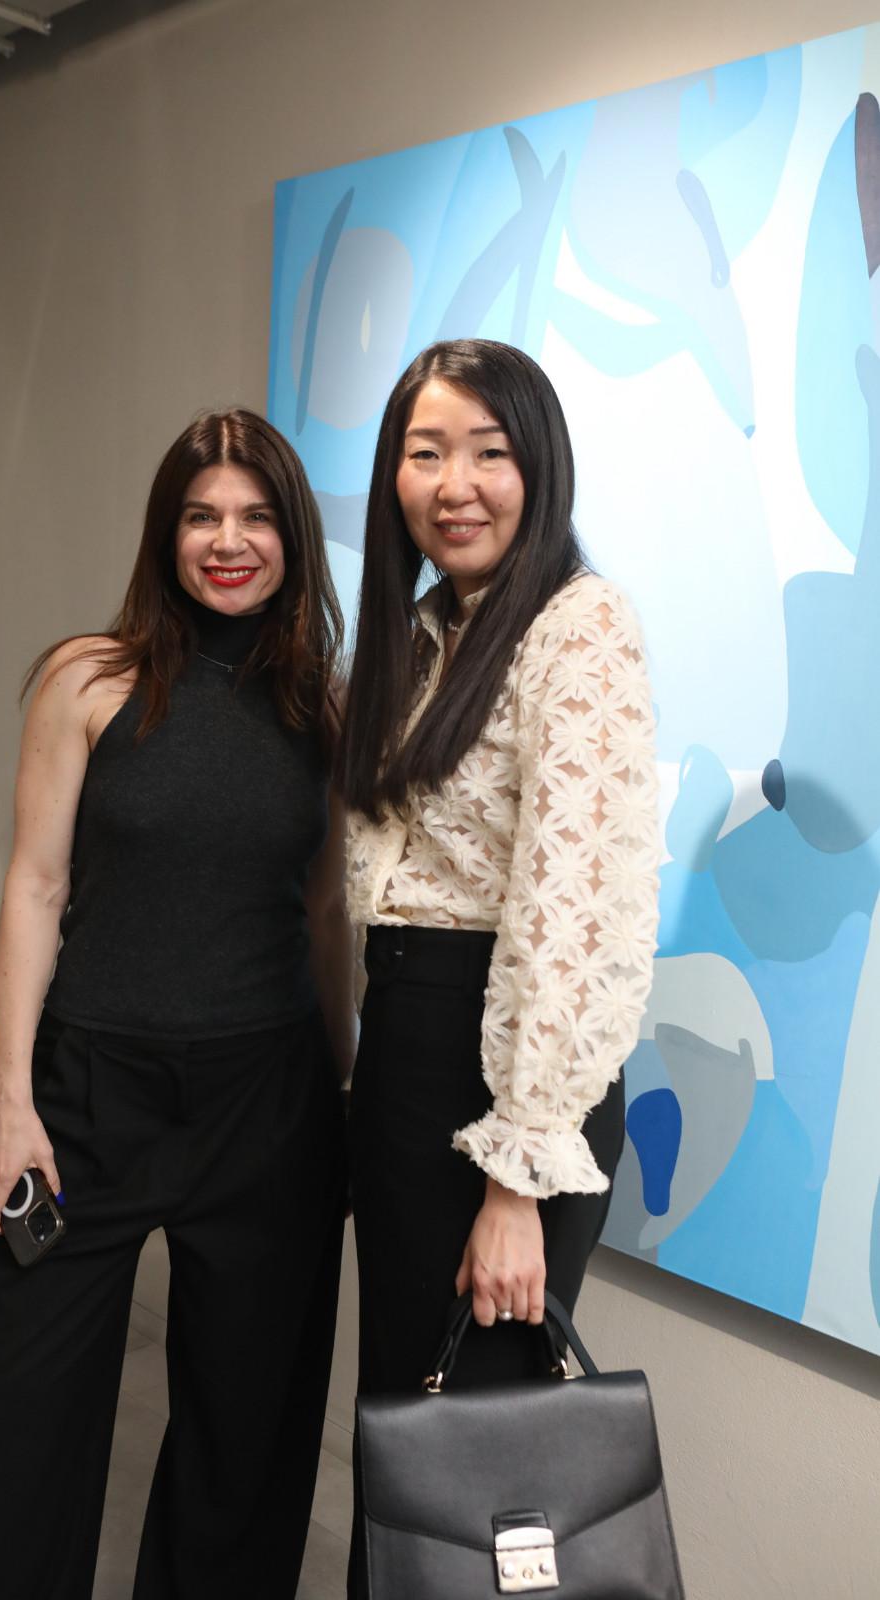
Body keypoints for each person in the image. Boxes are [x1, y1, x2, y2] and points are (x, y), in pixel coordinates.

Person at [0, 409, 353, 1600]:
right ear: (164, 534)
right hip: (87, 1098)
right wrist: (8, 1097)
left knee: (246, 1439)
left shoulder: (323, 708)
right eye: (200, 516)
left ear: (292, 538)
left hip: (267, 1105)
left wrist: (335, 1088)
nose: (227, 541)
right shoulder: (87, 679)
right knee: (22, 1421)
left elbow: (324, 911)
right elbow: (34, 886)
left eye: (255, 517)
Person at [338, 337, 661, 1415]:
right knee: (403, 1409)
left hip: (506, 1071)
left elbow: (571, 911)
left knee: (473, 1424)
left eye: (488, 452)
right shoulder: (425, 631)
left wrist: (515, 1184)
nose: (454, 485)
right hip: (405, 1048)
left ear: (538, 466)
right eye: (425, 453)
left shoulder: (579, 624)